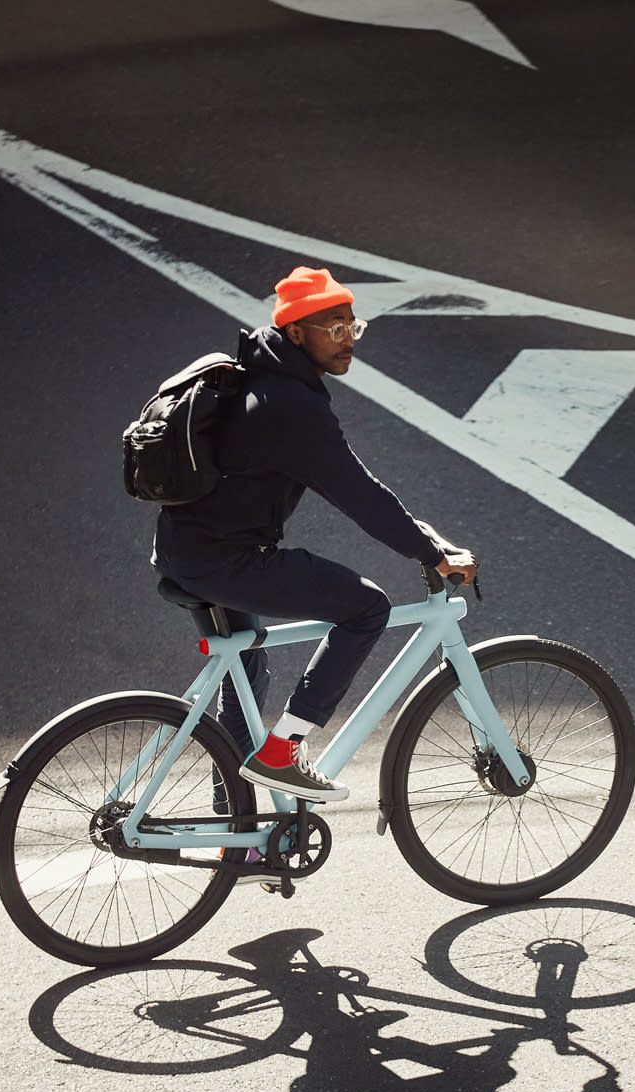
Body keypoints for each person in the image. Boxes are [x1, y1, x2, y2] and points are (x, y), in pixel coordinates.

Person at [152, 266, 477, 802]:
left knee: (245, 682)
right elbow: (360, 495)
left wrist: (425, 538)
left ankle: (239, 831)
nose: (349, 340)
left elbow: (357, 488)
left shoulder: (255, 378)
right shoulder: (291, 406)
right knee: (365, 607)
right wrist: (432, 552)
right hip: (227, 560)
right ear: (297, 333)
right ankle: (283, 753)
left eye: (354, 326)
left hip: (186, 551)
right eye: (335, 327)